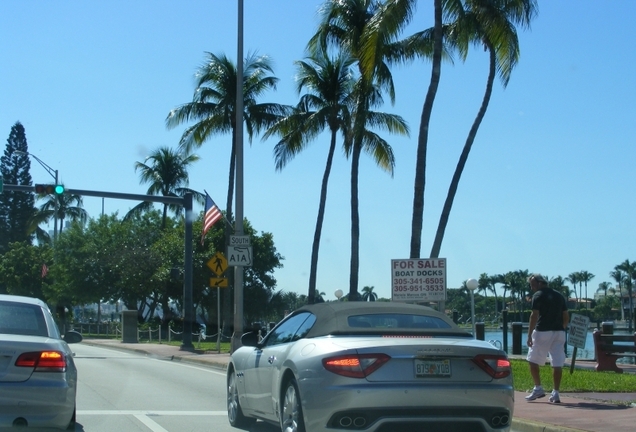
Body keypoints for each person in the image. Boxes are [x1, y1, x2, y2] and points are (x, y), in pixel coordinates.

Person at [525, 273, 569, 403]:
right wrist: (562, 327)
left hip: (542, 331)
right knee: (557, 363)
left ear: (540, 283)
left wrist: (529, 335)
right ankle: (555, 393)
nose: (532, 287)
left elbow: (534, 315)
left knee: (532, 360)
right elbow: (566, 316)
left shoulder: (538, 295)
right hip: (559, 332)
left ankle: (538, 388)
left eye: (533, 284)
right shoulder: (559, 296)